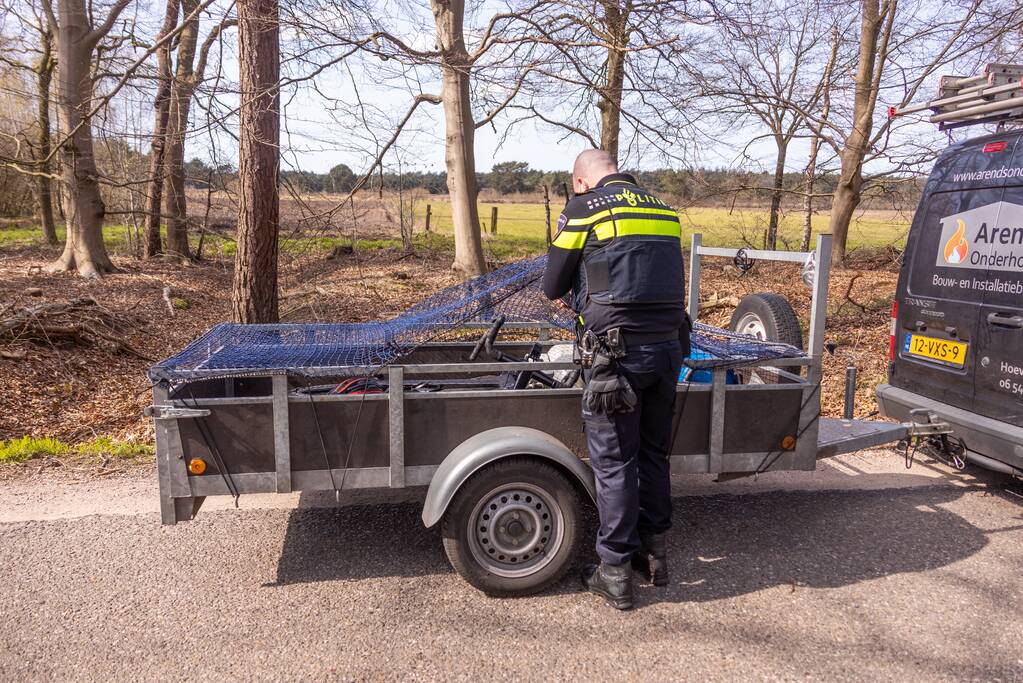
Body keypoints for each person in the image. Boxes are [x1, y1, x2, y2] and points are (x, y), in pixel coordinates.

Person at [542, 149, 690, 611]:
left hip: (614, 359)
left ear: (581, 181)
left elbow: (552, 284)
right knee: (652, 454)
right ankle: (656, 554)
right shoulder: (665, 212)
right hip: (668, 352)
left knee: (614, 463)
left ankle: (614, 572)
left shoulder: (584, 208)